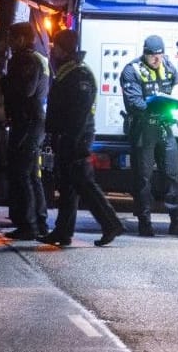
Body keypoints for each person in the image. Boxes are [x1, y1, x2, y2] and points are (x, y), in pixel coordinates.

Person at [41, 29, 124, 247]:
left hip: (76, 137)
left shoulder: (80, 74)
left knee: (84, 184)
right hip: (68, 136)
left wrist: (70, 139)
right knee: (67, 186)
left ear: (63, 48)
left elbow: (79, 112)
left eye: (56, 46)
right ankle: (62, 231)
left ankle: (111, 223)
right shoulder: (68, 70)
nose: (53, 50)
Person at [120, 34, 178, 237]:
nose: (157, 59)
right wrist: (153, 105)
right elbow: (134, 103)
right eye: (153, 56)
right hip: (143, 128)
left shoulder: (168, 65)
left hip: (164, 126)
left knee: (173, 172)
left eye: (160, 55)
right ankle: (145, 222)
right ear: (145, 53)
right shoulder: (132, 70)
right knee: (143, 177)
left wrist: (177, 98)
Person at [0, 22, 50, 240]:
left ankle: (29, 224)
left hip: (28, 122)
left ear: (21, 38)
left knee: (22, 173)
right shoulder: (37, 58)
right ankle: (38, 221)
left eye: (12, 37)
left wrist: (5, 83)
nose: (9, 42)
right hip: (33, 120)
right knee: (30, 174)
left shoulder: (26, 60)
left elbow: (26, 90)